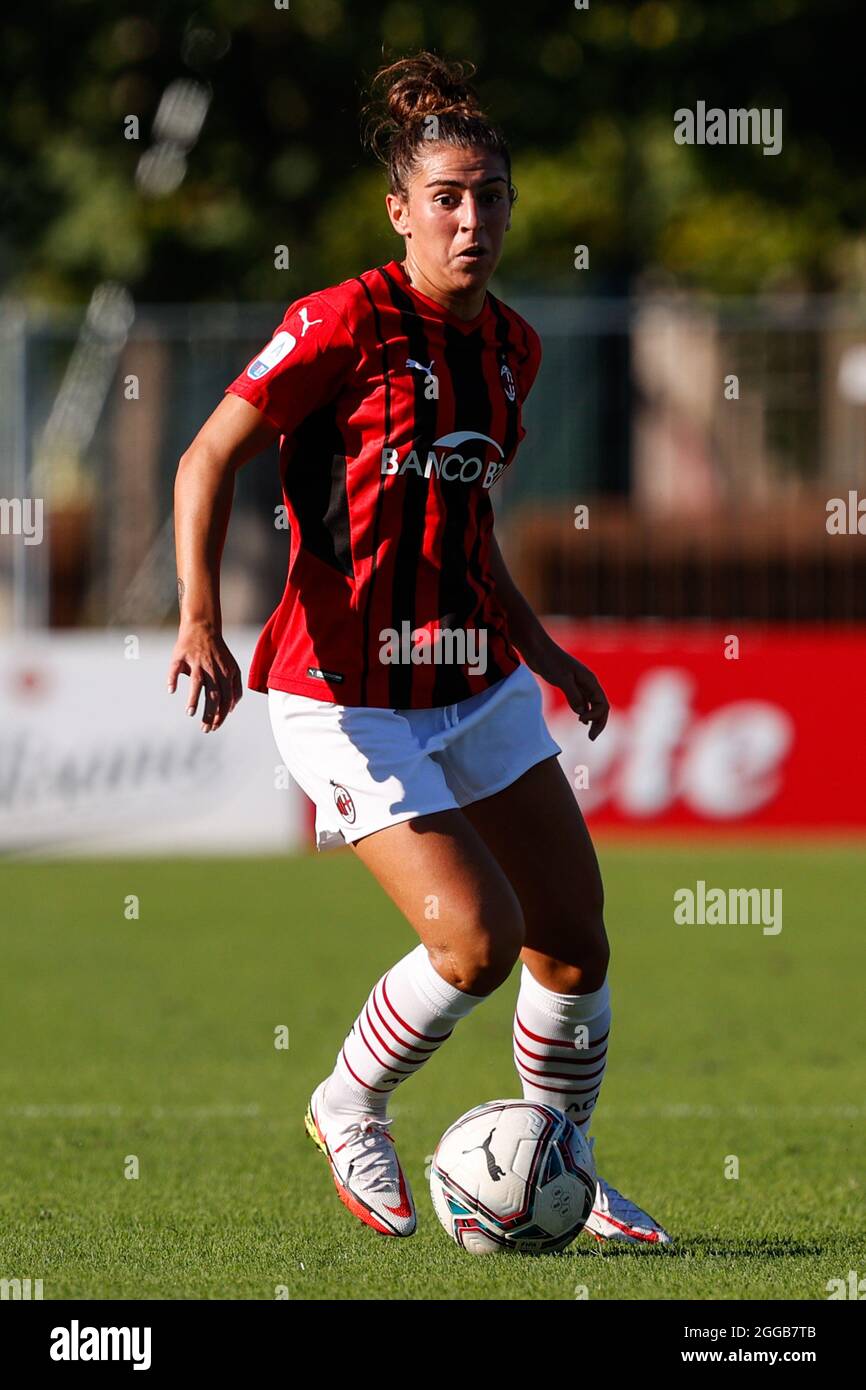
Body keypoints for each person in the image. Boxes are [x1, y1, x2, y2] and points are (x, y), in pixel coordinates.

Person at [168, 51, 670, 1245]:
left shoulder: (512, 349)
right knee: (475, 939)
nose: (470, 217)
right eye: (445, 195)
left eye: (489, 195)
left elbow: (467, 524)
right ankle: (347, 1103)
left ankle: (562, 1163)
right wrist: (197, 615)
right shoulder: (336, 321)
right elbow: (202, 458)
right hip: (343, 696)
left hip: (474, 677)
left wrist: (541, 651)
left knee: (572, 937)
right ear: (400, 209)